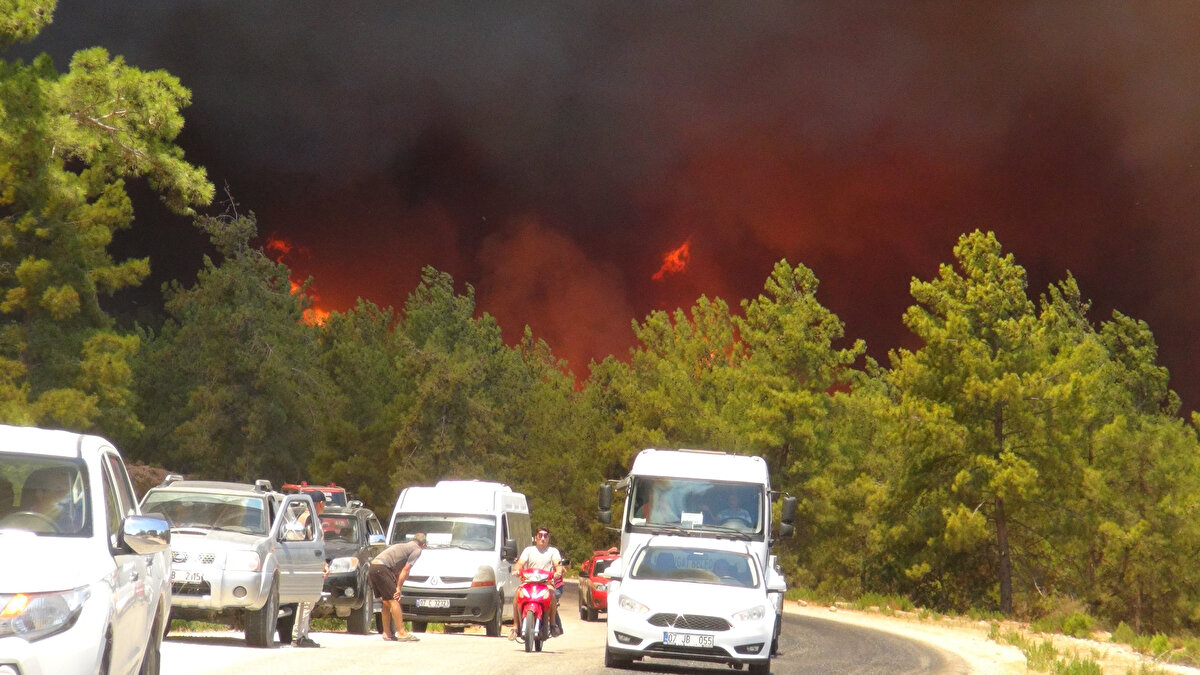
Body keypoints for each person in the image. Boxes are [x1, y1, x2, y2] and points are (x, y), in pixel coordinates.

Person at [369, 532, 427, 642]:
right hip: (382, 568)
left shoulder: (403, 546)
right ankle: (401, 632)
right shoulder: (417, 550)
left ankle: (387, 633)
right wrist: (398, 588)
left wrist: (396, 584)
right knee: (394, 600)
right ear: (423, 545)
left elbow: (397, 570)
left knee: (386, 601)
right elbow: (405, 570)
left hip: (373, 568)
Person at [510, 527, 565, 640]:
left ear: (549, 538)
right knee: (517, 594)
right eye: (540, 535)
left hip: (546, 583)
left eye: (546, 536)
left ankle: (553, 624)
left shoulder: (553, 551)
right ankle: (515, 626)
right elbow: (520, 563)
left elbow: (557, 564)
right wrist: (516, 570)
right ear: (536, 537)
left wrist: (558, 572)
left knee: (552, 595)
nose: (543, 538)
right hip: (528, 582)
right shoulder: (528, 550)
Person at [292, 490, 327, 648]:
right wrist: (321, 563)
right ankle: (299, 636)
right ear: (320, 503)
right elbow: (312, 544)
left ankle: (302, 634)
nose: (324, 507)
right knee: (307, 601)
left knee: (307, 601)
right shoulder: (309, 519)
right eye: (324, 504)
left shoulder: (305, 517)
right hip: (309, 564)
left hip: (308, 563)